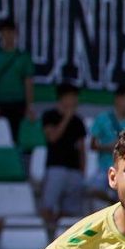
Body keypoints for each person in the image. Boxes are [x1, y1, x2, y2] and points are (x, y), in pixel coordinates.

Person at [39, 83, 87, 233]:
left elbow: (81, 148)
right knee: (48, 205)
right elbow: (52, 137)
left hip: (74, 170)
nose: (74, 101)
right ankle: (46, 234)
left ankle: (61, 235)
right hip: (56, 167)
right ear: (62, 98)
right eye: (71, 97)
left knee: (70, 209)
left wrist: (82, 171)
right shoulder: (49, 115)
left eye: (75, 98)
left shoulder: (78, 121)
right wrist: (66, 117)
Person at [0, 19, 33, 142]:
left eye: (11, 32)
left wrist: (29, 106)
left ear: (16, 34)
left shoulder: (23, 57)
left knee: (16, 137)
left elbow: (28, 82)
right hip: (0, 102)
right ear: (0, 34)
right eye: (5, 32)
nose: (8, 36)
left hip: (18, 101)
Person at [89, 85, 125, 195]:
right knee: (94, 191)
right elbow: (92, 145)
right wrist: (109, 147)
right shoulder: (103, 118)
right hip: (105, 168)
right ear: (118, 99)